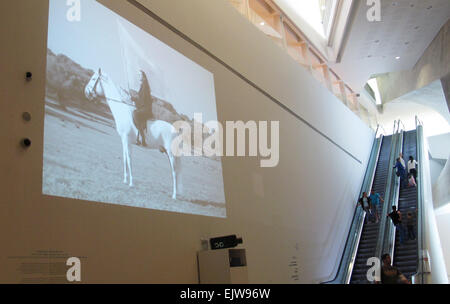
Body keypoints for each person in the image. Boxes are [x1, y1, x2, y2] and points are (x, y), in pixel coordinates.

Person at [132, 70, 154, 147]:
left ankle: (142, 139)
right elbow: (141, 98)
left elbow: (143, 99)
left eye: (140, 75)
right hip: (144, 107)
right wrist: (134, 99)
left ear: (144, 77)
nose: (138, 77)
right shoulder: (143, 85)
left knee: (135, 113)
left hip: (146, 109)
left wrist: (134, 100)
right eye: (138, 75)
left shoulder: (145, 86)